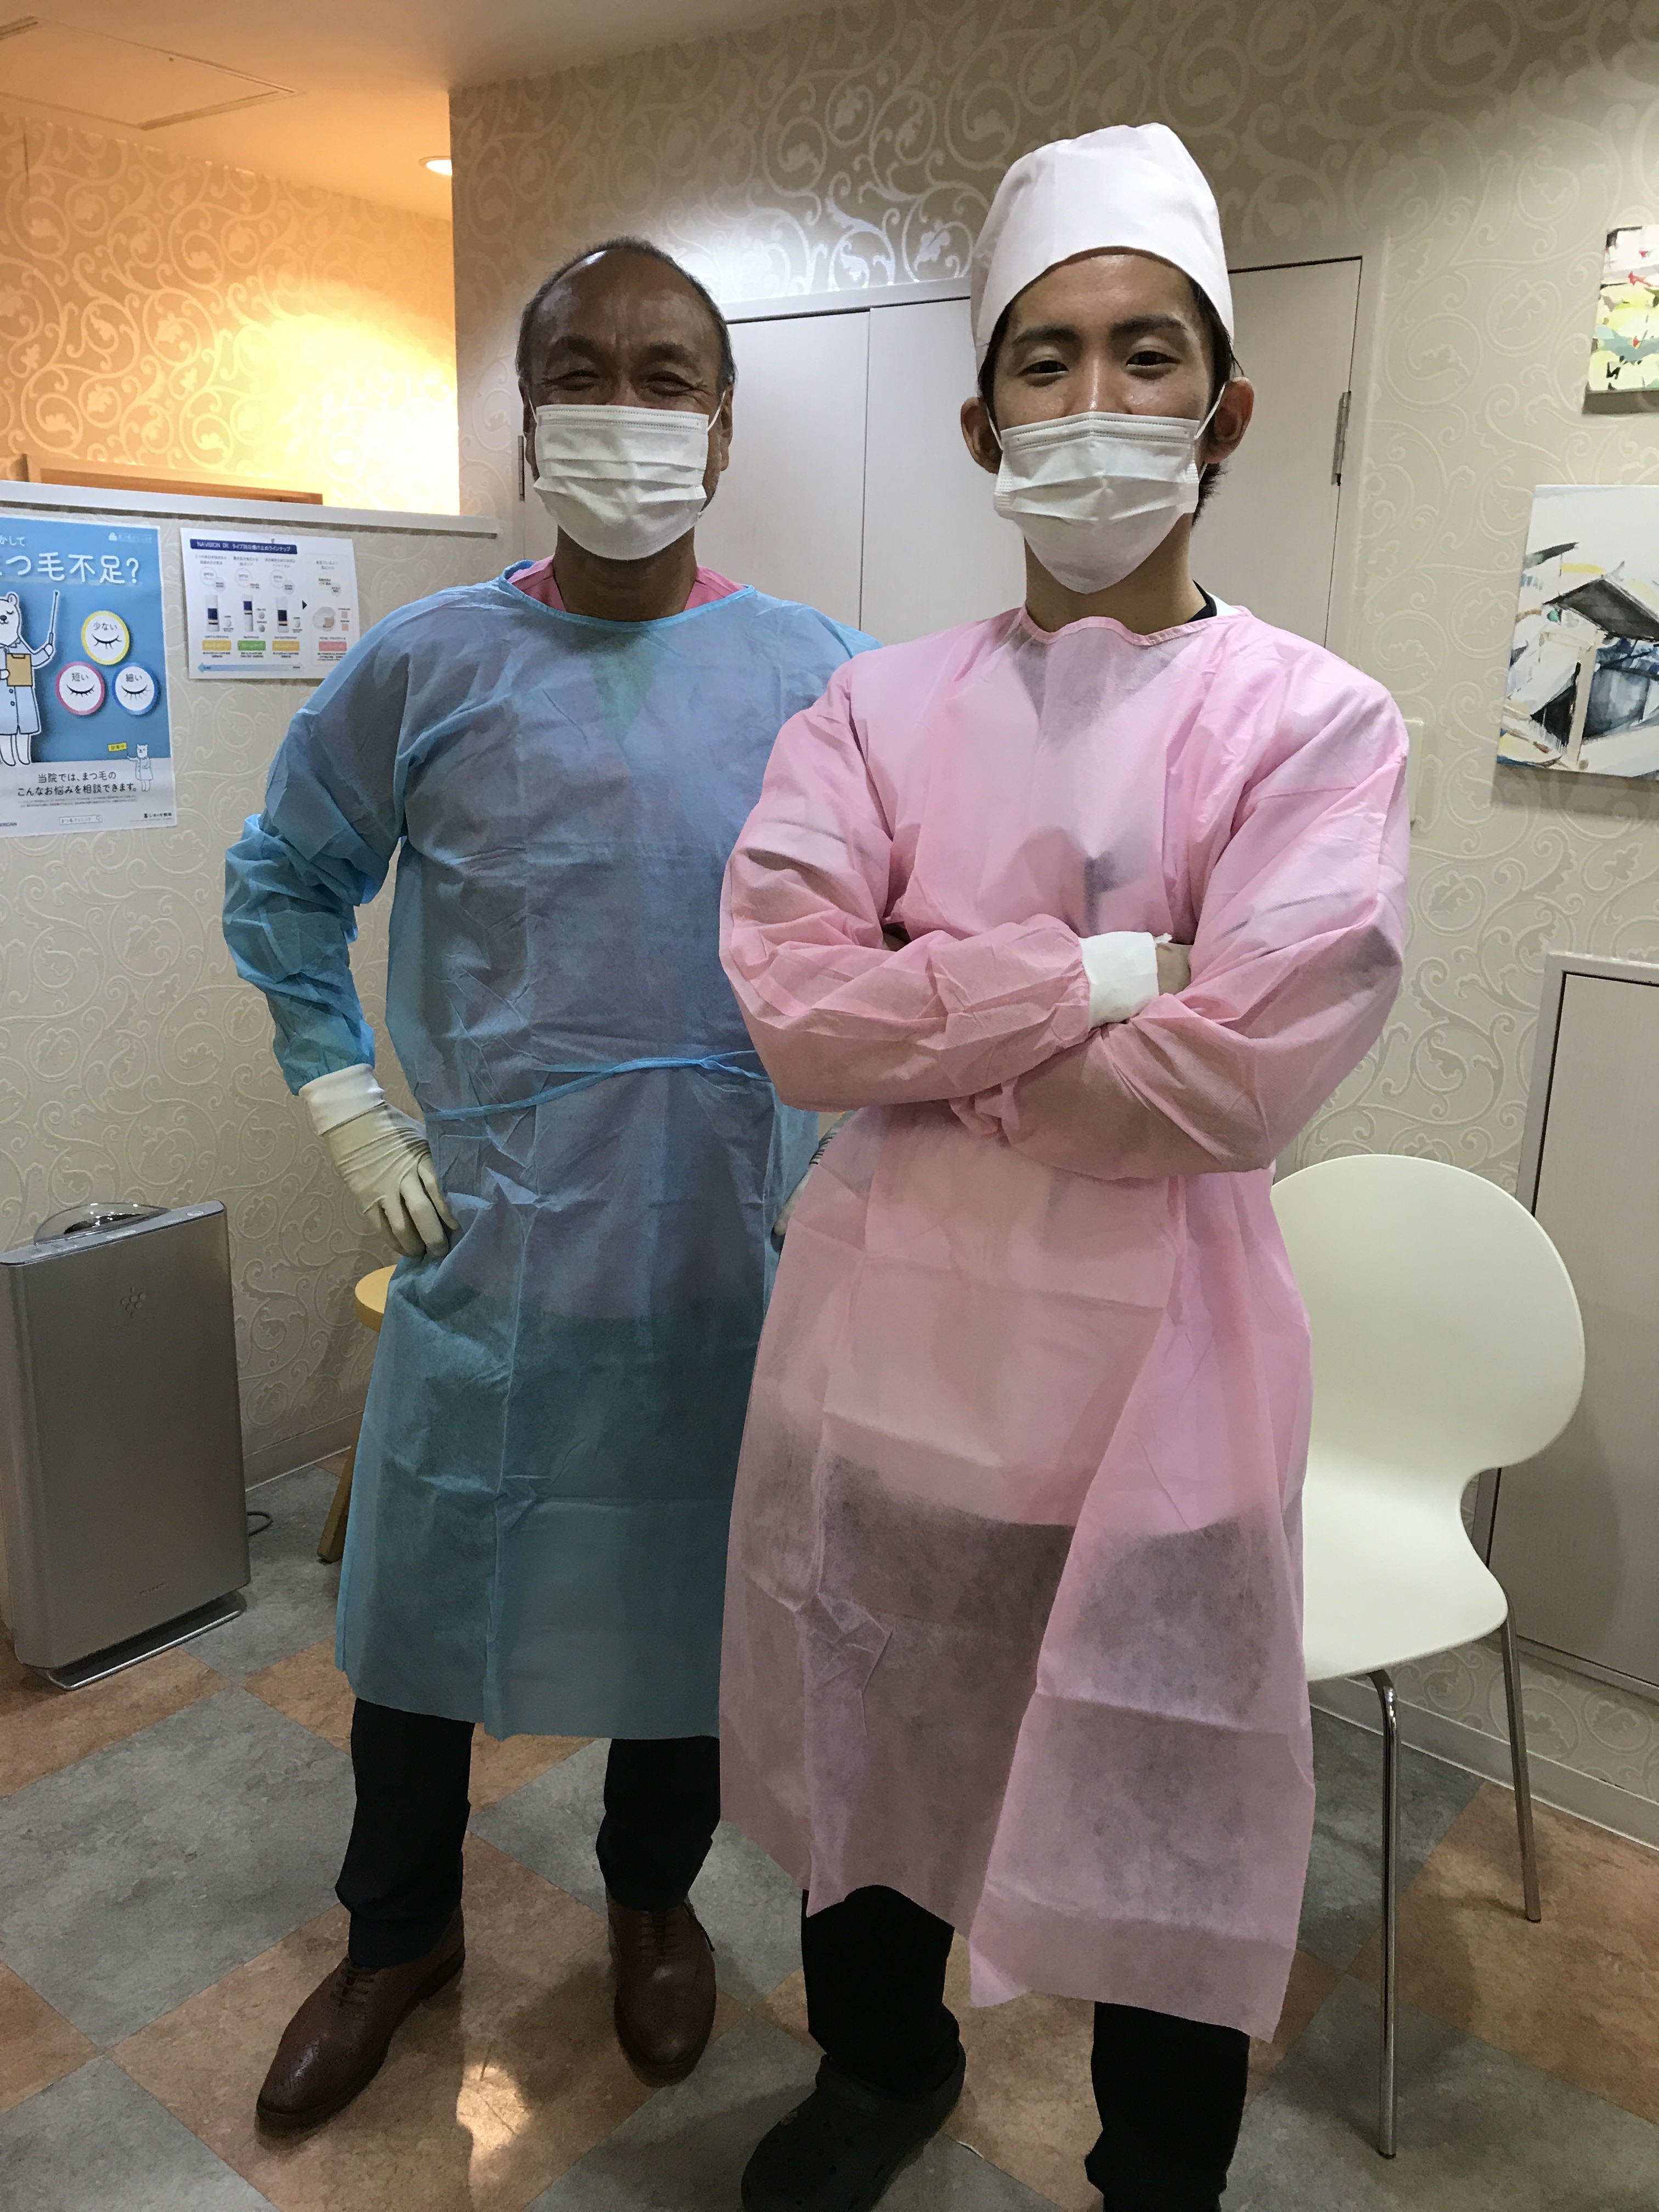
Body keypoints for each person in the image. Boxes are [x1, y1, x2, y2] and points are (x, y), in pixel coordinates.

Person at [716, 125, 1409, 2212]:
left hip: (1163, 1392)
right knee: (876, 1737)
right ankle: (882, 2071)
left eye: (1144, 354)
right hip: (895, 1365)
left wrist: (935, 1025)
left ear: (1228, 411)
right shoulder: (872, 709)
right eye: (1045, 359)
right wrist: (1099, 973)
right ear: (982, 422)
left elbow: (1235, 1082)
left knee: (1156, 1793)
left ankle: (1156, 2175)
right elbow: (793, 1011)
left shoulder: (1315, 726)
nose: (1094, 400)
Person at [223, 237, 873, 2132]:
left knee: (686, 1605)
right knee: (423, 1607)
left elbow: (906, 933)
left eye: (669, 377)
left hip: (721, 1251)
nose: (626, 408)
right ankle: (396, 1930)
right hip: (495, 1249)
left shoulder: (821, 678)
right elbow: (284, 882)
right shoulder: (426, 666)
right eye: (582, 371)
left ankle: (651, 1901)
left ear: (724, 428)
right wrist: (353, 1113)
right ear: (528, 419)